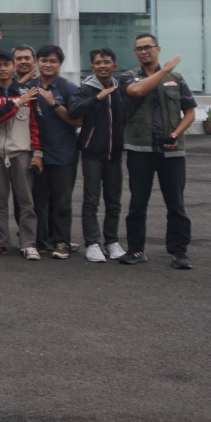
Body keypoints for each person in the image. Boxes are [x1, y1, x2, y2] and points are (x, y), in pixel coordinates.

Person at [118, 35, 196, 269]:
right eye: (139, 49)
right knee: (137, 203)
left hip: (172, 152)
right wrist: (164, 70)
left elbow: (190, 113)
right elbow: (137, 92)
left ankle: (179, 252)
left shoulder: (176, 79)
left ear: (158, 49)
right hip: (139, 149)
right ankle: (136, 249)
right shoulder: (128, 77)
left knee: (176, 204)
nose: (144, 52)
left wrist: (175, 134)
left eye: (148, 47)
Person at [0, 49, 43, 260]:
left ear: (14, 67)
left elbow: (35, 125)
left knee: (26, 201)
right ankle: (0, 241)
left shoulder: (28, 92)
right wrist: (16, 103)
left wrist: (38, 153)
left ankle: (28, 244)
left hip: (22, 153)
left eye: (6, 64)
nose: (2, 69)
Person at [68, 47, 127, 264]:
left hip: (115, 154)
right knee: (91, 201)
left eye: (107, 62)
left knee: (114, 201)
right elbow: (73, 110)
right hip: (92, 153)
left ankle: (112, 241)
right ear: (92, 66)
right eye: (98, 63)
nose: (103, 66)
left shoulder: (120, 89)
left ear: (114, 66)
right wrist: (97, 98)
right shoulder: (84, 89)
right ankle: (92, 243)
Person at [31, 45, 82, 259]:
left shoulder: (68, 88)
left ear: (60, 64)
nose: (48, 64)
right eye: (44, 60)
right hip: (36, 152)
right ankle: (41, 240)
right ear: (37, 62)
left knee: (61, 200)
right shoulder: (29, 87)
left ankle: (62, 242)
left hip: (63, 152)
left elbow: (78, 121)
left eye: (53, 61)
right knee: (38, 200)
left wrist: (54, 105)